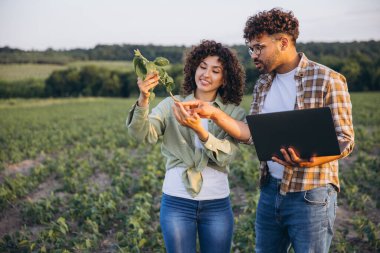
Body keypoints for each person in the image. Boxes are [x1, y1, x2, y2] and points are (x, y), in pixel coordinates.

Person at [174, 8, 355, 253]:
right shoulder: (263, 83)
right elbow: (252, 134)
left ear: (283, 42)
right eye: (251, 48)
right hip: (271, 192)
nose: (254, 55)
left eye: (259, 47)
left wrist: (308, 160)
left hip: (311, 194)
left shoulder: (327, 79)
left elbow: (345, 139)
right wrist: (214, 113)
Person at [127, 40, 246, 253]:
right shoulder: (171, 104)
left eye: (215, 70)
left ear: (224, 78)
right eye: (202, 66)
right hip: (176, 202)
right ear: (193, 68)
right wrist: (144, 99)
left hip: (217, 204)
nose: (206, 74)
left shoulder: (233, 113)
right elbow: (142, 135)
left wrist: (200, 131)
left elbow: (226, 156)